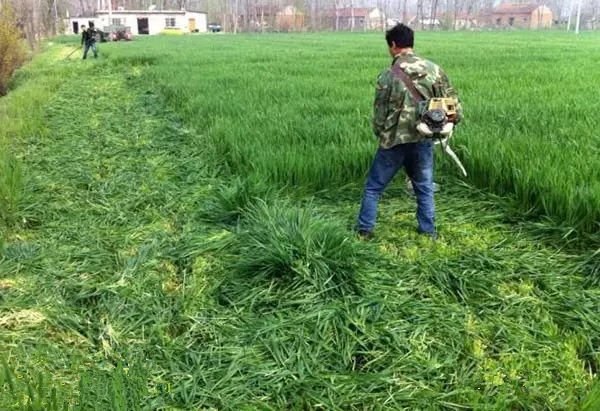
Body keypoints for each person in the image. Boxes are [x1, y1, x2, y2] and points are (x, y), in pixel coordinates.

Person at [355, 23, 462, 241]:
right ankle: (428, 231)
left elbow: (379, 115)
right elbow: (454, 107)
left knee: (374, 188)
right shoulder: (435, 70)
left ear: (393, 45)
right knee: (424, 188)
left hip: (393, 141)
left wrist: (381, 135)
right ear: (411, 43)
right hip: (423, 138)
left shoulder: (388, 76)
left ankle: (364, 230)